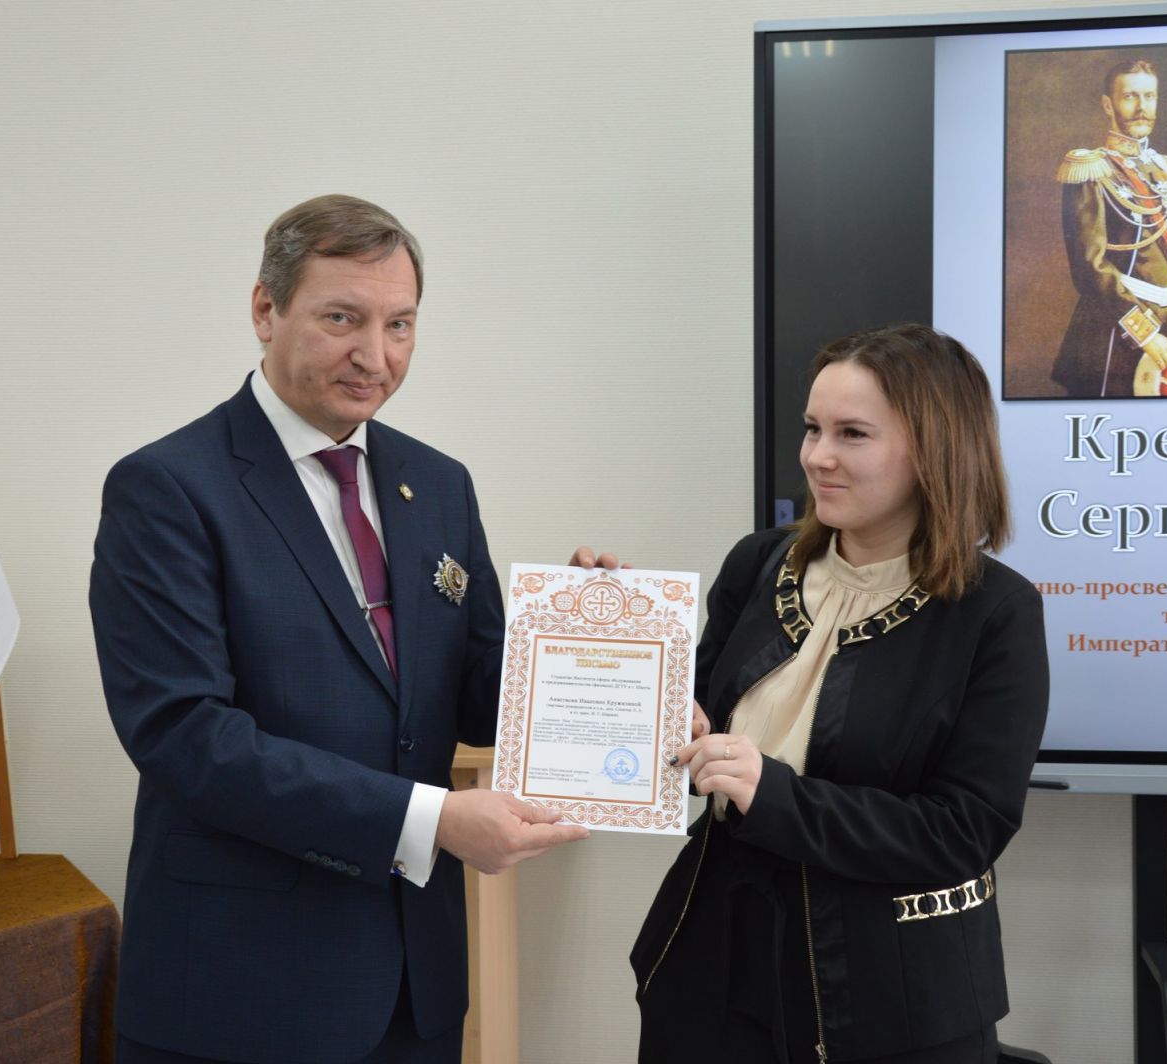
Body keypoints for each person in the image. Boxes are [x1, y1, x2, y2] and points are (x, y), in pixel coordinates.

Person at [89, 194, 596, 1064]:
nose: (376, 356)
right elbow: (187, 737)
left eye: (400, 325)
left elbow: (478, 696)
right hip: (241, 994)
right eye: (342, 318)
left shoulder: (438, 483)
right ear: (266, 309)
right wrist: (431, 820)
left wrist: (583, 648)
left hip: (413, 991)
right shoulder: (167, 488)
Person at [632, 323, 1050, 1064]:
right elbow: (685, 734)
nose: (817, 456)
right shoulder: (758, 564)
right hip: (716, 962)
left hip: (893, 994)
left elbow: (964, 832)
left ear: (934, 449)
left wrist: (774, 793)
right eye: (812, 428)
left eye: (852, 434)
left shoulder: (996, 612)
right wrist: (613, 640)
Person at [1053, 58, 1167, 398]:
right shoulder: (1091, 169)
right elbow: (1089, 268)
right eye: (1130, 97)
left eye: (1149, 97)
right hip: (1109, 334)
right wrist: (1145, 333)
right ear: (1108, 105)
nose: (1141, 108)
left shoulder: (1166, 169)